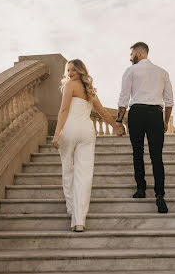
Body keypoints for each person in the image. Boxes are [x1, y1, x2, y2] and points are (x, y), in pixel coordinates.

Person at [52, 59, 125, 232]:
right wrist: (115, 126)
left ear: (80, 72)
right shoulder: (89, 90)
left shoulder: (70, 86)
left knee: (68, 171)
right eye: (68, 70)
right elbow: (102, 111)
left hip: (70, 130)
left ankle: (72, 210)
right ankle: (79, 220)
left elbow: (63, 110)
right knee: (84, 175)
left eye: (73, 70)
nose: (70, 73)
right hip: (87, 131)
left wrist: (56, 134)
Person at [116, 42, 174, 213]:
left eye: (131, 54)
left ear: (139, 54)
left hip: (137, 113)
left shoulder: (130, 71)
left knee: (138, 152)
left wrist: (119, 121)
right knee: (157, 156)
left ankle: (141, 189)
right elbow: (169, 102)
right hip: (156, 113)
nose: (130, 57)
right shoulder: (163, 72)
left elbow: (123, 98)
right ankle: (159, 194)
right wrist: (165, 121)